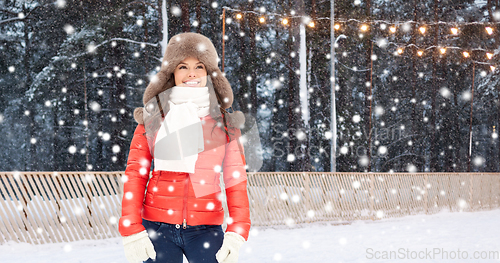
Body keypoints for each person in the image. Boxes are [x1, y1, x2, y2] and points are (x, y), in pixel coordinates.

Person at [119, 32, 251, 263]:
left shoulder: (224, 125)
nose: (192, 73)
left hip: (206, 229)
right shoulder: (152, 120)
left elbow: (236, 182)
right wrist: (131, 230)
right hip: (156, 229)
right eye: (182, 66)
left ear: (209, 73)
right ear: (172, 73)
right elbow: (135, 176)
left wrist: (236, 233)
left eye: (199, 66)